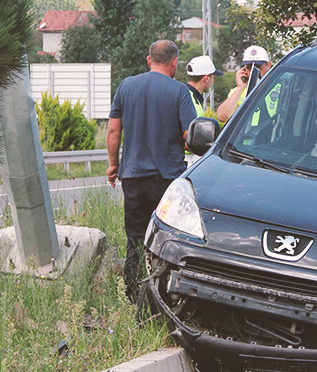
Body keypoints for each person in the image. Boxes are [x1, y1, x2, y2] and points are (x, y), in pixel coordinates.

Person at [105, 40, 198, 301]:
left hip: (132, 176)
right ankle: (164, 296)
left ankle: (133, 296)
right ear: (174, 63)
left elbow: (113, 130)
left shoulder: (127, 85)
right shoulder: (179, 92)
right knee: (168, 239)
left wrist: (114, 165)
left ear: (149, 60)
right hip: (166, 180)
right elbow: (190, 136)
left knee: (135, 238)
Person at [216, 45, 276, 123]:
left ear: (268, 65)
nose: (252, 72)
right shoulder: (237, 92)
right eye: (249, 68)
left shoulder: (278, 88)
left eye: (257, 67)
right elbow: (222, 116)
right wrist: (240, 88)